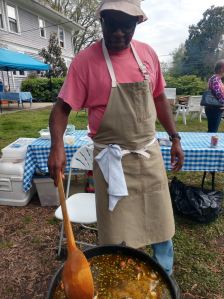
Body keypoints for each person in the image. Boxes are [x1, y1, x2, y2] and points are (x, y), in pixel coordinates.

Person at [48, 0, 184, 296]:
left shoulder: (147, 55)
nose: (119, 32)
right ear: (102, 21)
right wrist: (56, 145)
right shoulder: (85, 62)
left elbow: (159, 99)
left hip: (147, 158)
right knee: (119, 237)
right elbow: (61, 109)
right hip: (111, 164)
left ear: (138, 23)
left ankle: (164, 280)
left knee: (162, 228)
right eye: (112, 24)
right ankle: (125, 288)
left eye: (128, 25)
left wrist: (175, 137)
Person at [205, 59, 224, 133]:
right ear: (222, 68)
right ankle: (209, 144)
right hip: (214, 108)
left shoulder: (215, 78)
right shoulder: (216, 79)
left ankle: (210, 143)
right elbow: (219, 93)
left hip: (213, 107)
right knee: (212, 131)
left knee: (212, 130)